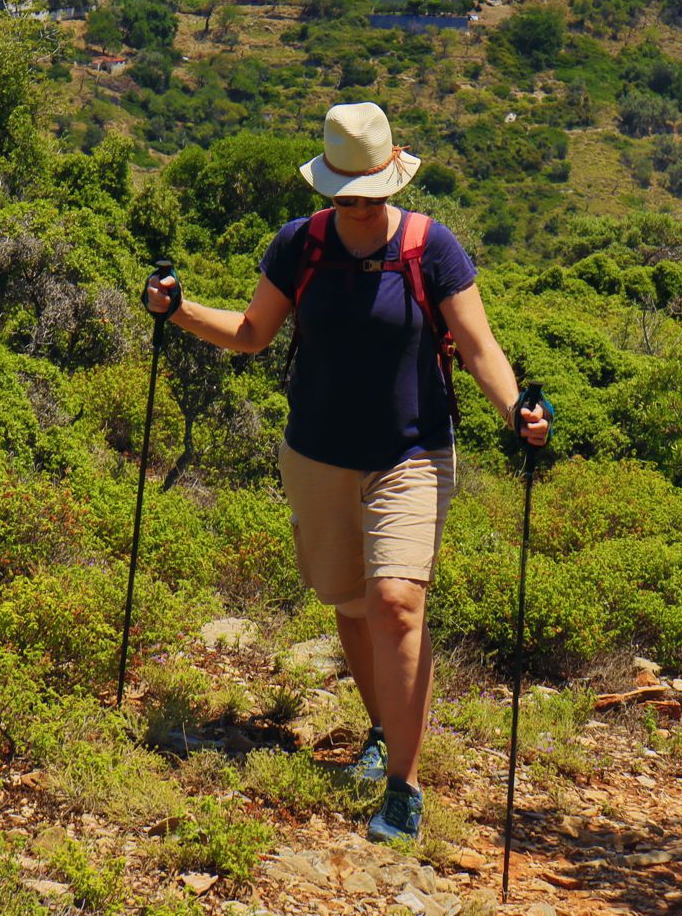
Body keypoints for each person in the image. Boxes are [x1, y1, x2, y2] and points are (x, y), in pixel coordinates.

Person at [145, 101, 548, 843]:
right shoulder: (300, 246)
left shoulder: (433, 248)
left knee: (396, 600)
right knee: (352, 604)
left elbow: (478, 344)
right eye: (344, 196)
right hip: (318, 455)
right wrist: (176, 311)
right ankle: (379, 726)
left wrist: (517, 407)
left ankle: (404, 782)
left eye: (367, 194)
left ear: (392, 179)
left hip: (412, 451)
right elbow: (250, 332)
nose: (357, 208)